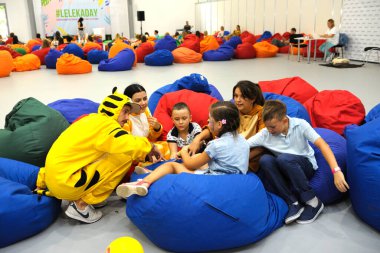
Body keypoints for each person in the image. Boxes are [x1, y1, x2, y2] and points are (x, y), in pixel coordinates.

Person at [35, 87, 163, 223]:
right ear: (114, 111)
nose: (127, 118)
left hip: (52, 178)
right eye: (125, 112)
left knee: (105, 154)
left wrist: (41, 182)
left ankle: (89, 197)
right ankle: (82, 205)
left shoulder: (90, 120)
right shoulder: (106, 126)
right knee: (124, 156)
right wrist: (149, 146)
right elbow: (126, 143)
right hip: (67, 184)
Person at [116, 101, 250, 198]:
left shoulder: (215, 145)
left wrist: (185, 151)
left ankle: (144, 183)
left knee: (172, 165)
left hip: (213, 182)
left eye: (210, 122)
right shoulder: (243, 141)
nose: (208, 125)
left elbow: (189, 164)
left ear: (219, 124)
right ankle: (150, 172)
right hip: (235, 181)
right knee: (200, 161)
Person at [247, 100, 349, 225]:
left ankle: (313, 202)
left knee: (284, 158)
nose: (269, 130)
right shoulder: (265, 134)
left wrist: (336, 171)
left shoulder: (301, 125)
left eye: (272, 127)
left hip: (305, 166)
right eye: (267, 126)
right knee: (265, 160)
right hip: (285, 168)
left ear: (284, 120)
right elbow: (242, 145)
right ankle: (293, 203)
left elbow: (323, 145)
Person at [189, 80, 266, 172]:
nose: (238, 100)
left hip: (245, 161)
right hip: (227, 155)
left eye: (242, 96)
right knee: (197, 159)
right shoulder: (233, 112)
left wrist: (240, 158)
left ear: (253, 98)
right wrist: (197, 139)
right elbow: (220, 123)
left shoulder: (262, 114)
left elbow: (262, 143)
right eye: (236, 96)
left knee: (192, 165)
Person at [123, 84, 170, 160]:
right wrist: (147, 148)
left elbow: (151, 137)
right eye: (138, 100)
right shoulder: (125, 118)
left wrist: (157, 128)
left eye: (145, 99)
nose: (143, 103)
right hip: (135, 153)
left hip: (148, 146)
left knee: (167, 145)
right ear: (129, 102)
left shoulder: (146, 111)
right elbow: (127, 145)